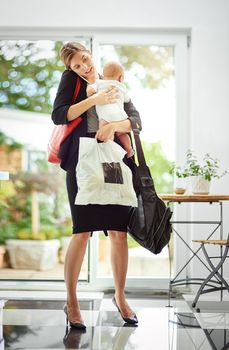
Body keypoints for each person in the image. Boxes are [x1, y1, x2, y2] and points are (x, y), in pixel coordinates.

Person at [51, 42, 142, 330]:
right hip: (83, 163)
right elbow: (59, 114)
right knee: (82, 231)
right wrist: (94, 99)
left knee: (118, 232)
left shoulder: (112, 80)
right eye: (77, 65)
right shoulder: (73, 81)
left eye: (85, 60)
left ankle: (120, 296)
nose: (84, 67)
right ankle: (72, 301)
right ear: (71, 69)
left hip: (113, 162)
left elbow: (136, 122)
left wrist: (113, 127)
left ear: (92, 56)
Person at [86, 61, 134, 158]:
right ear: (121, 78)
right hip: (120, 115)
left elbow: (90, 91)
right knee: (122, 134)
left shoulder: (99, 83)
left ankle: (109, 150)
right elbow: (127, 99)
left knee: (105, 133)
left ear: (103, 76)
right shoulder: (121, 86)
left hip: (105, 116)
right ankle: (128, 149)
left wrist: (91, 91)